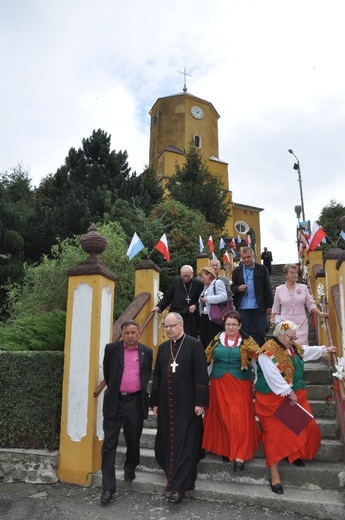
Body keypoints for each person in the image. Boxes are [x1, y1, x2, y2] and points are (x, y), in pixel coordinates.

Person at [255, 320, 337, 495]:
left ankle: (293, 454)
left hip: (296, 397)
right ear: (281, 335)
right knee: (275, 436)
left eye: (294, 337)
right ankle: (274, 474)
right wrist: (287, 391)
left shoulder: (293, 346)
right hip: (273, 400)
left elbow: (305, 351)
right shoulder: (266, 351)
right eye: (291, 338)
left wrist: (324, 349)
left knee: (308, 427)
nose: (294, 340)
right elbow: (272, 375)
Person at [150, 312, 209, 504]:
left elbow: (201, 376)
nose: (168, 330)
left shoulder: (194, 344)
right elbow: (157, 376)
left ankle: (180, 487)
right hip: (167, 404)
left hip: (187, 404)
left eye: (171, 326)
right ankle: (171, 473)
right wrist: (155, 402)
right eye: (166, 327)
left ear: (181, 325)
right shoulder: (163, 347)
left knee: (185, 444)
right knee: (168, 440)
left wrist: (200, 403)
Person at [100, 320, 153, 505]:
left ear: (139, 333)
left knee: (133, 439)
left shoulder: (147, 352)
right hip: (115, 401)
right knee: (109, 444)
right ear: (122, 333)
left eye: (133, 332)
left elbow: (146, 375)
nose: (130, 335)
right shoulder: (111, 349)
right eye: (126, 332)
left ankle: (130, 466)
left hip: (135, 402)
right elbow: (108, 373)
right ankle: (108, 488)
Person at [202, 311, 261, 471]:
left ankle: (240, 455)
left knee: (238, 418)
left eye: (234, 324)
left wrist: (258, 381)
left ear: (240, 326)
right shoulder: (215, 341)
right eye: (228, 324)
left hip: (240, 385)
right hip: (218, 384)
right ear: (224, 325)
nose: (231, 327)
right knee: (222, 417)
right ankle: (227, 449)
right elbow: (205, 361)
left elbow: (261, 362)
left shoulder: (248, 342)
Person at [270, 263, 328, 345]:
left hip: (301, 323)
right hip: (285, 323)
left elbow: (310, 304)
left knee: (302, 347)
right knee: (287, 344)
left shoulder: (303, 288)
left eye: (296, 273)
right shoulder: (279, 289)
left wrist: (319, 312)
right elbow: (275, 307)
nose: (295, 275)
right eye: (292, 273)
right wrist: (272, 319)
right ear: (286, 275)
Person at [231, 247, 273, 346]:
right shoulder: (237, 271)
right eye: (244, 258)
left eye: (248, 257)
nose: (246, 260)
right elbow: (233, 288)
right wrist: (238, 288)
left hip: (259, 306)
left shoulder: (262, 269)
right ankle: (248, 358)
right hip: (243, 307)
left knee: (260, 332)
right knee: (245, 333)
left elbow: (268, 287)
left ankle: (260, 356)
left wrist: (269, 306)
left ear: (253, 256)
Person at [151, 265, 204, 338]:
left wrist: (195, 305)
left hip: (190, 316)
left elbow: (201, 298)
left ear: (192, 273)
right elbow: (168, 296)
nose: (185, 278)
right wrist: (159, 307)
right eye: (183, 276)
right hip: (176, 312)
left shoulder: (198, 283)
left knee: (190, 337)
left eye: (187, 276)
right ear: (180, 273)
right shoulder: (176, 281)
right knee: (174, 335)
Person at [198, 266, 228, 348]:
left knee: (212, 340)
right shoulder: (206, 287)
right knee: (204, 339)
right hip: (205, 316)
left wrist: (208, 299)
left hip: (214, 317)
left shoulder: (218, 283)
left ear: (209, 275)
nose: (202, 280)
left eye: (203, 277)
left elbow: (223, 296)